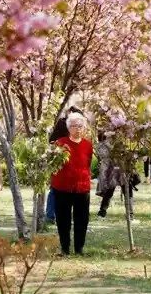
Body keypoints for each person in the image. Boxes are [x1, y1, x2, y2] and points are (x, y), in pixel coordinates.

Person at [51, 112, 93, 255]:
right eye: (74, 126)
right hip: (62, 187)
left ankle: (79, 248)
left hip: (82, 188)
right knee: (63, 220)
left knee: (82, 219)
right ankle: (65, 249)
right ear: (69, 128)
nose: (78, 129)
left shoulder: (88, 145)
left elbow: (87, 163)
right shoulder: (60, 143)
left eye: (80, 126)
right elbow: (54, 165)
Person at [46, 106, 84, 224]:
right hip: (61, 159)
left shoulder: (69, 125)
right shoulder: (63, 123)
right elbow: (54, 141)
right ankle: (51, 215)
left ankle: (53, 215)